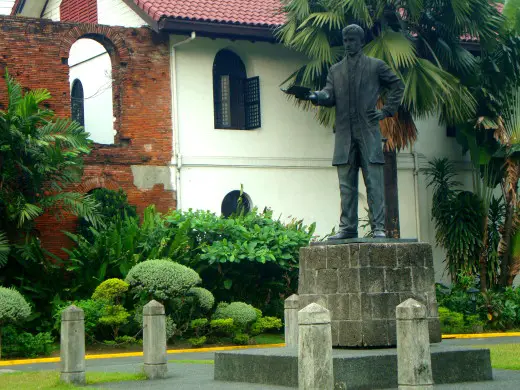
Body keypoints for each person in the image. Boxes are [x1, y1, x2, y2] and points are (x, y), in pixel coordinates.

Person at [301, 24, 404, 239]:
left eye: (352, 40)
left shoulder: (375, 66)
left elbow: (397, 85)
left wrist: (386, 111)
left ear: (361, 41)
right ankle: (347, 227)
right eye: (345, 40)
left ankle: (378, 227)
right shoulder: (335, 70)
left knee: (373, 182)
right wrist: (316, 96)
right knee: (346, 185)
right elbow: (329, 95)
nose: (348, 44)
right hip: (345, 134)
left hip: (368, 131)